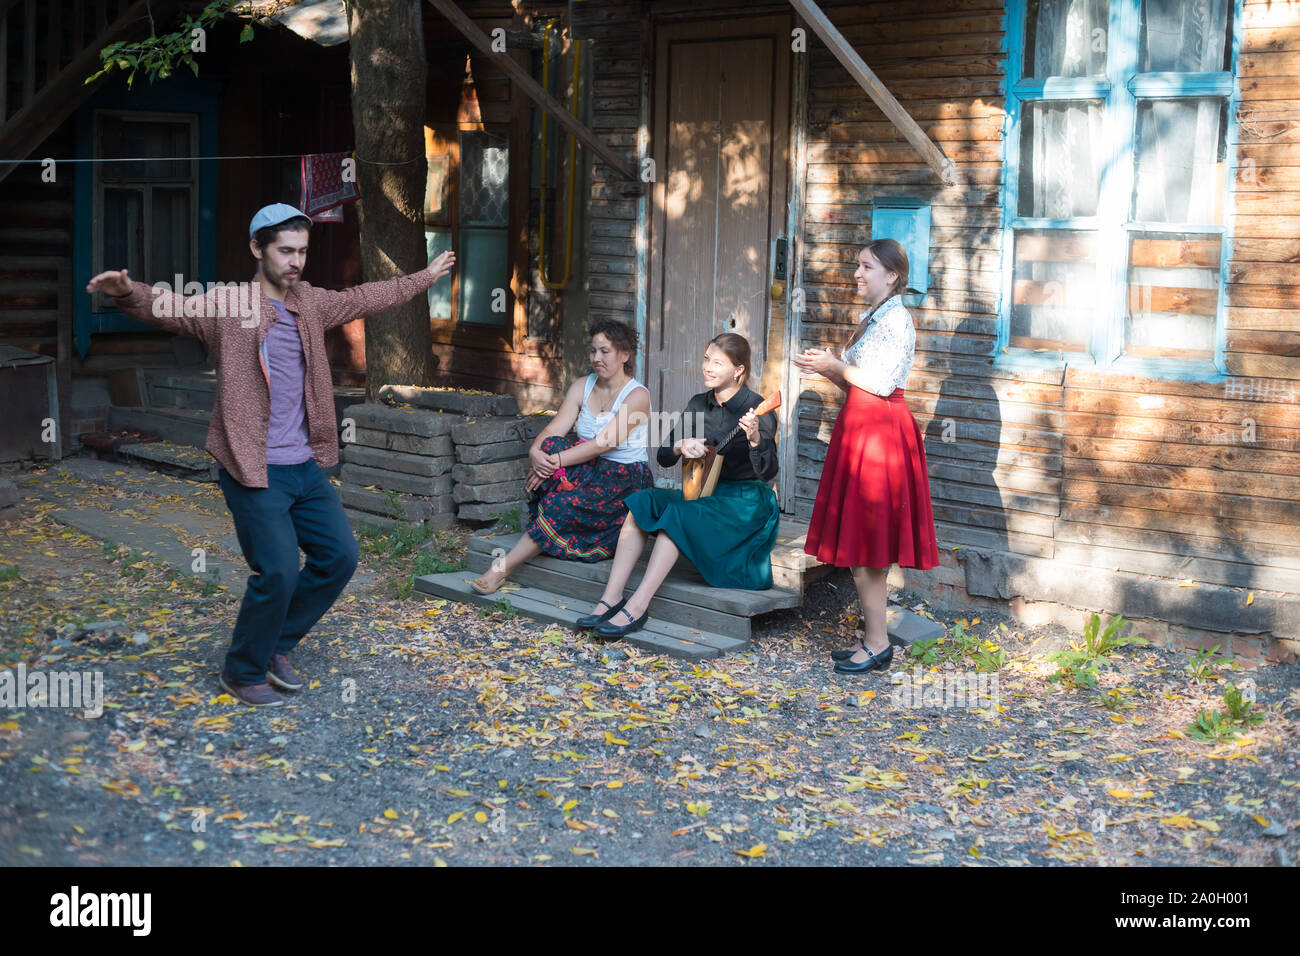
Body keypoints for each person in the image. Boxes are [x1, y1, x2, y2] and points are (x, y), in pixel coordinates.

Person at [85, 203, 456, 706]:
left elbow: (365, 297)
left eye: (302, 251)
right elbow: (172, 308)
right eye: (285, 250)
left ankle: (277, 643)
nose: (296, 261)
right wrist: (128, 292)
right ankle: (242, 670)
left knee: (340, 557)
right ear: (258, 249)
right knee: (279, 570)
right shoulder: (230, 305)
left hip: (302, 464)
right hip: (251, 465)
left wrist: (423, 276)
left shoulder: (311, 304)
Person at [793, 238, 939, 674]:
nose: (857, 274)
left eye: (866, 267)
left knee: (869, 546)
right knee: (862, 547)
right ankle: (874, 641)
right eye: (857, 265)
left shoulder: (895, 321)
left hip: (879, 435)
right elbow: (860, 385)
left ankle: (877, 644)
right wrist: (830, 369)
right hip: (863, 429)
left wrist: (835, 366)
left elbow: (877, 385)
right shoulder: (875, 317)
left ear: (891, 275)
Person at [577, 332, 779, 638]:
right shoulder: (699, 403)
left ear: (738, 370)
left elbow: (769, 472)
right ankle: (612, 597)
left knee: (678, 516)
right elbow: (663, 455)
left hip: (746, 500)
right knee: (643, 500)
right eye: (706, 359)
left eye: (718, 363)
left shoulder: (756, 408)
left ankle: (638, 607)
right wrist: (680, 445)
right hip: (702, 491)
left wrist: (754, 439)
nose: (707, 367)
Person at [470, 320, 652, 594]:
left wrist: (554, 462)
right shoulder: (582, 385)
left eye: (605, 351)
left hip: (622, 481)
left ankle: (501, 569)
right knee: (552, 445)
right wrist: (535, 452)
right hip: (589, 468)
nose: (596, 358)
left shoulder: (637, 395)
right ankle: (554, 525)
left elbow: (602, 443)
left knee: (560, 499)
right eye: (592, 351)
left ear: (625, 355)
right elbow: (556, 428)